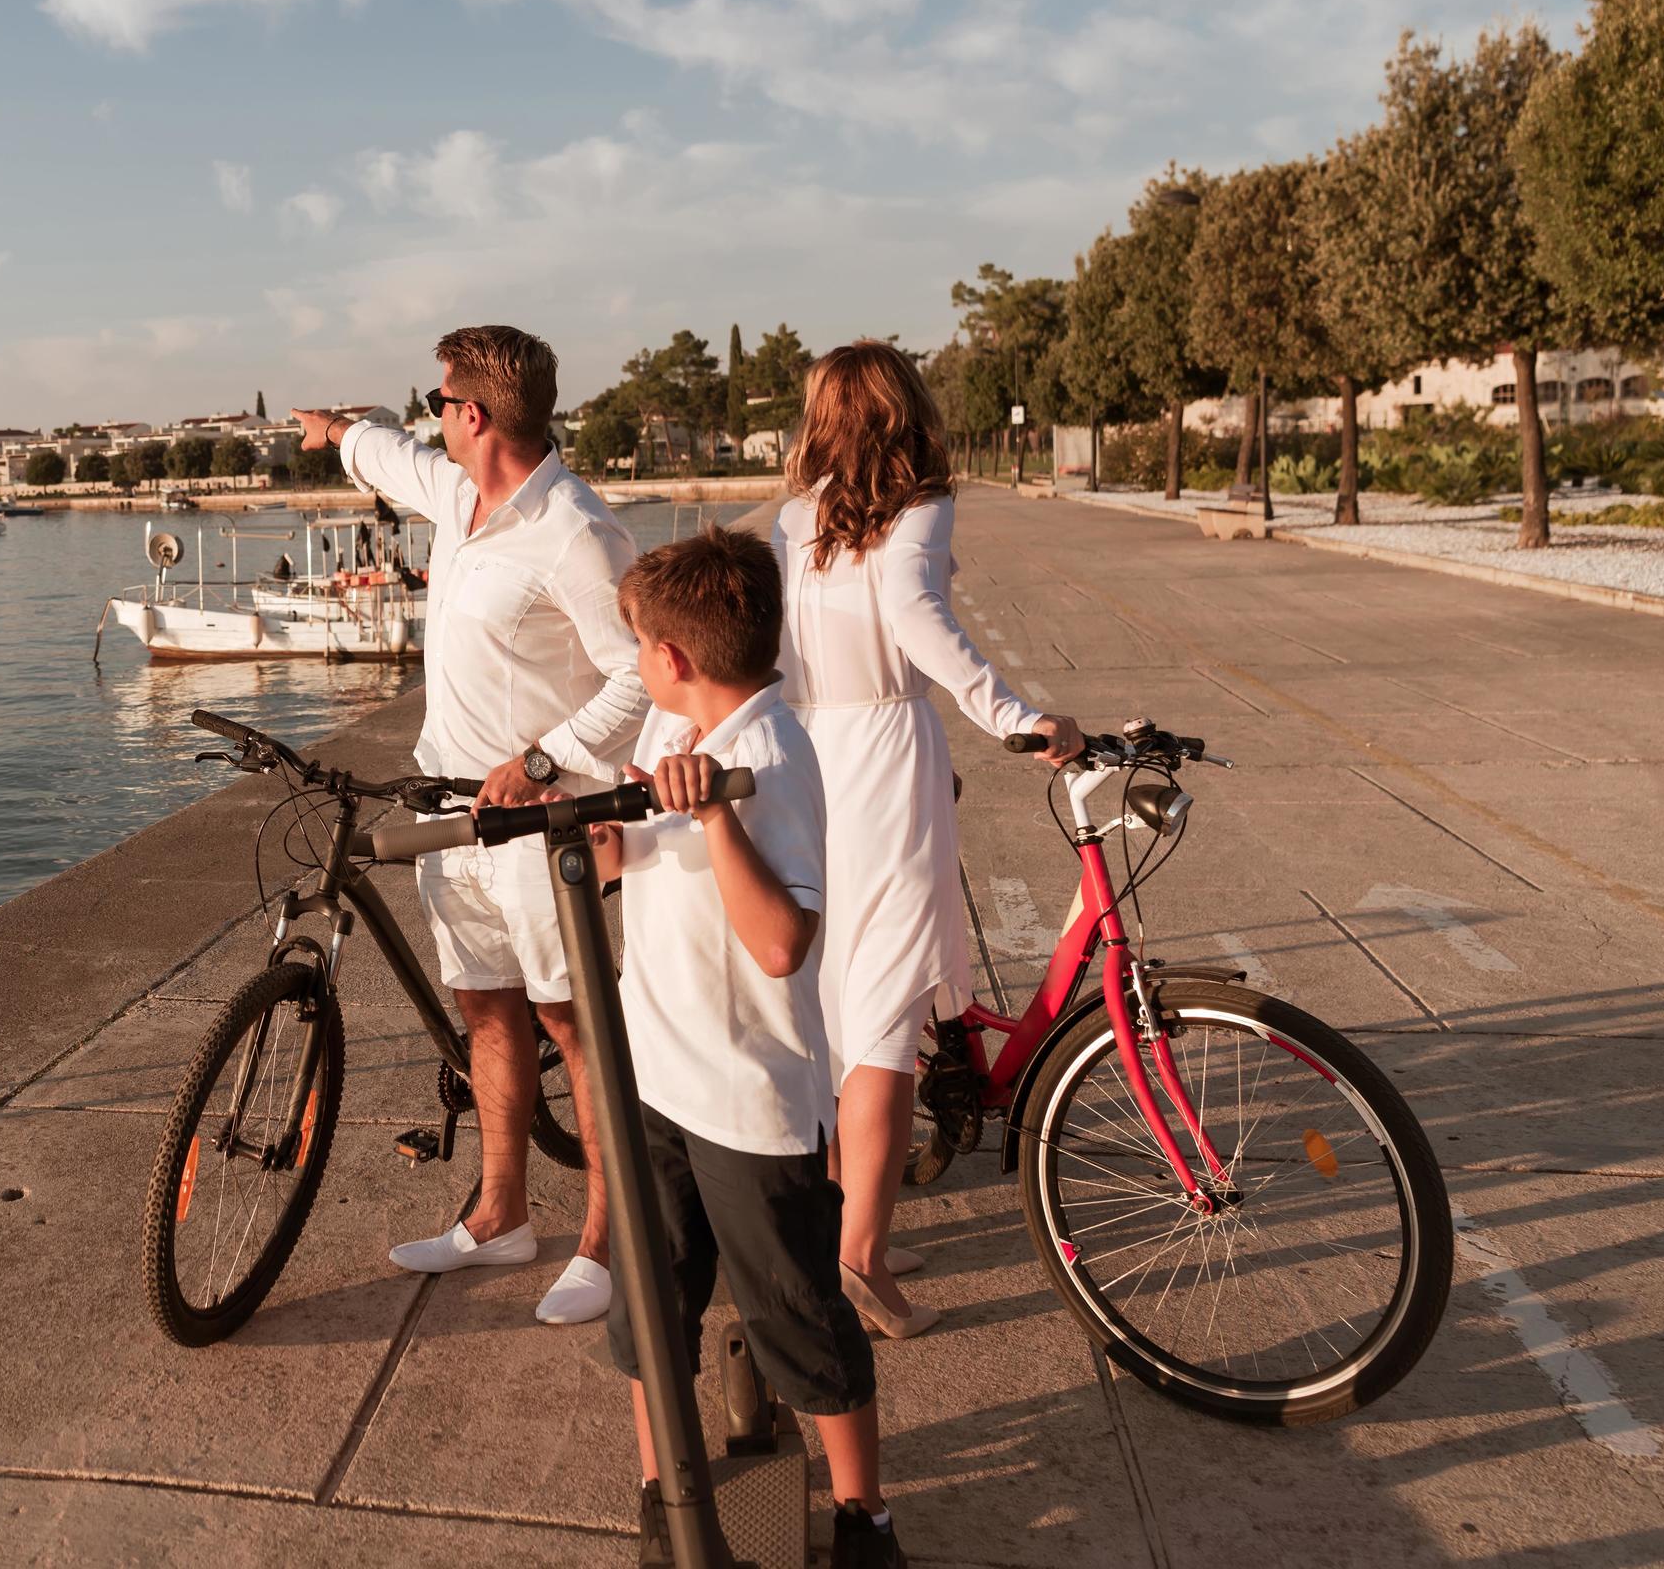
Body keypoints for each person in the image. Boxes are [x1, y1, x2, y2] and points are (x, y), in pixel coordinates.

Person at [295, 327, 645, 1327]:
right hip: (452, 816)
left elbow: (638, 671)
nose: (434, 418)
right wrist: (335, 431)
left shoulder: (578, 531)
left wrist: (544, 762)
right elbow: (390, 457)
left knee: (576, 1028)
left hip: (545, 827)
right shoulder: (460, 496)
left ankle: (606, 1239)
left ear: (477, 415)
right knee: (485, 1009)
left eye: (442, 402)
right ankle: (501, 1218)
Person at [587, 527, 901, 1569]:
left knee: (799, 1320)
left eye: (638, 648)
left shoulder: (768, 757)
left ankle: (865, 1520)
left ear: (673, 663)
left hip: (750, 1104)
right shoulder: (696, 752)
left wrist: (712, 816)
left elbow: (777, 941)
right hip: (660, 1080)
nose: (636, 664)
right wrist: (617, 844)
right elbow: (655, 887)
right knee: (653, 1313)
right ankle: (664, 1496)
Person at [772, 342, 1078, 1339]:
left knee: (829, 1009)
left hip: (808, 755)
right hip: (884, 759)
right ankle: (861, 1258)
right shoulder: (920, 507)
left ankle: (836, 1232)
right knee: (888, 1020)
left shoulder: (792, 517)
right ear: (905, 412)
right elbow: (917, 615)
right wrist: (1016, 716)